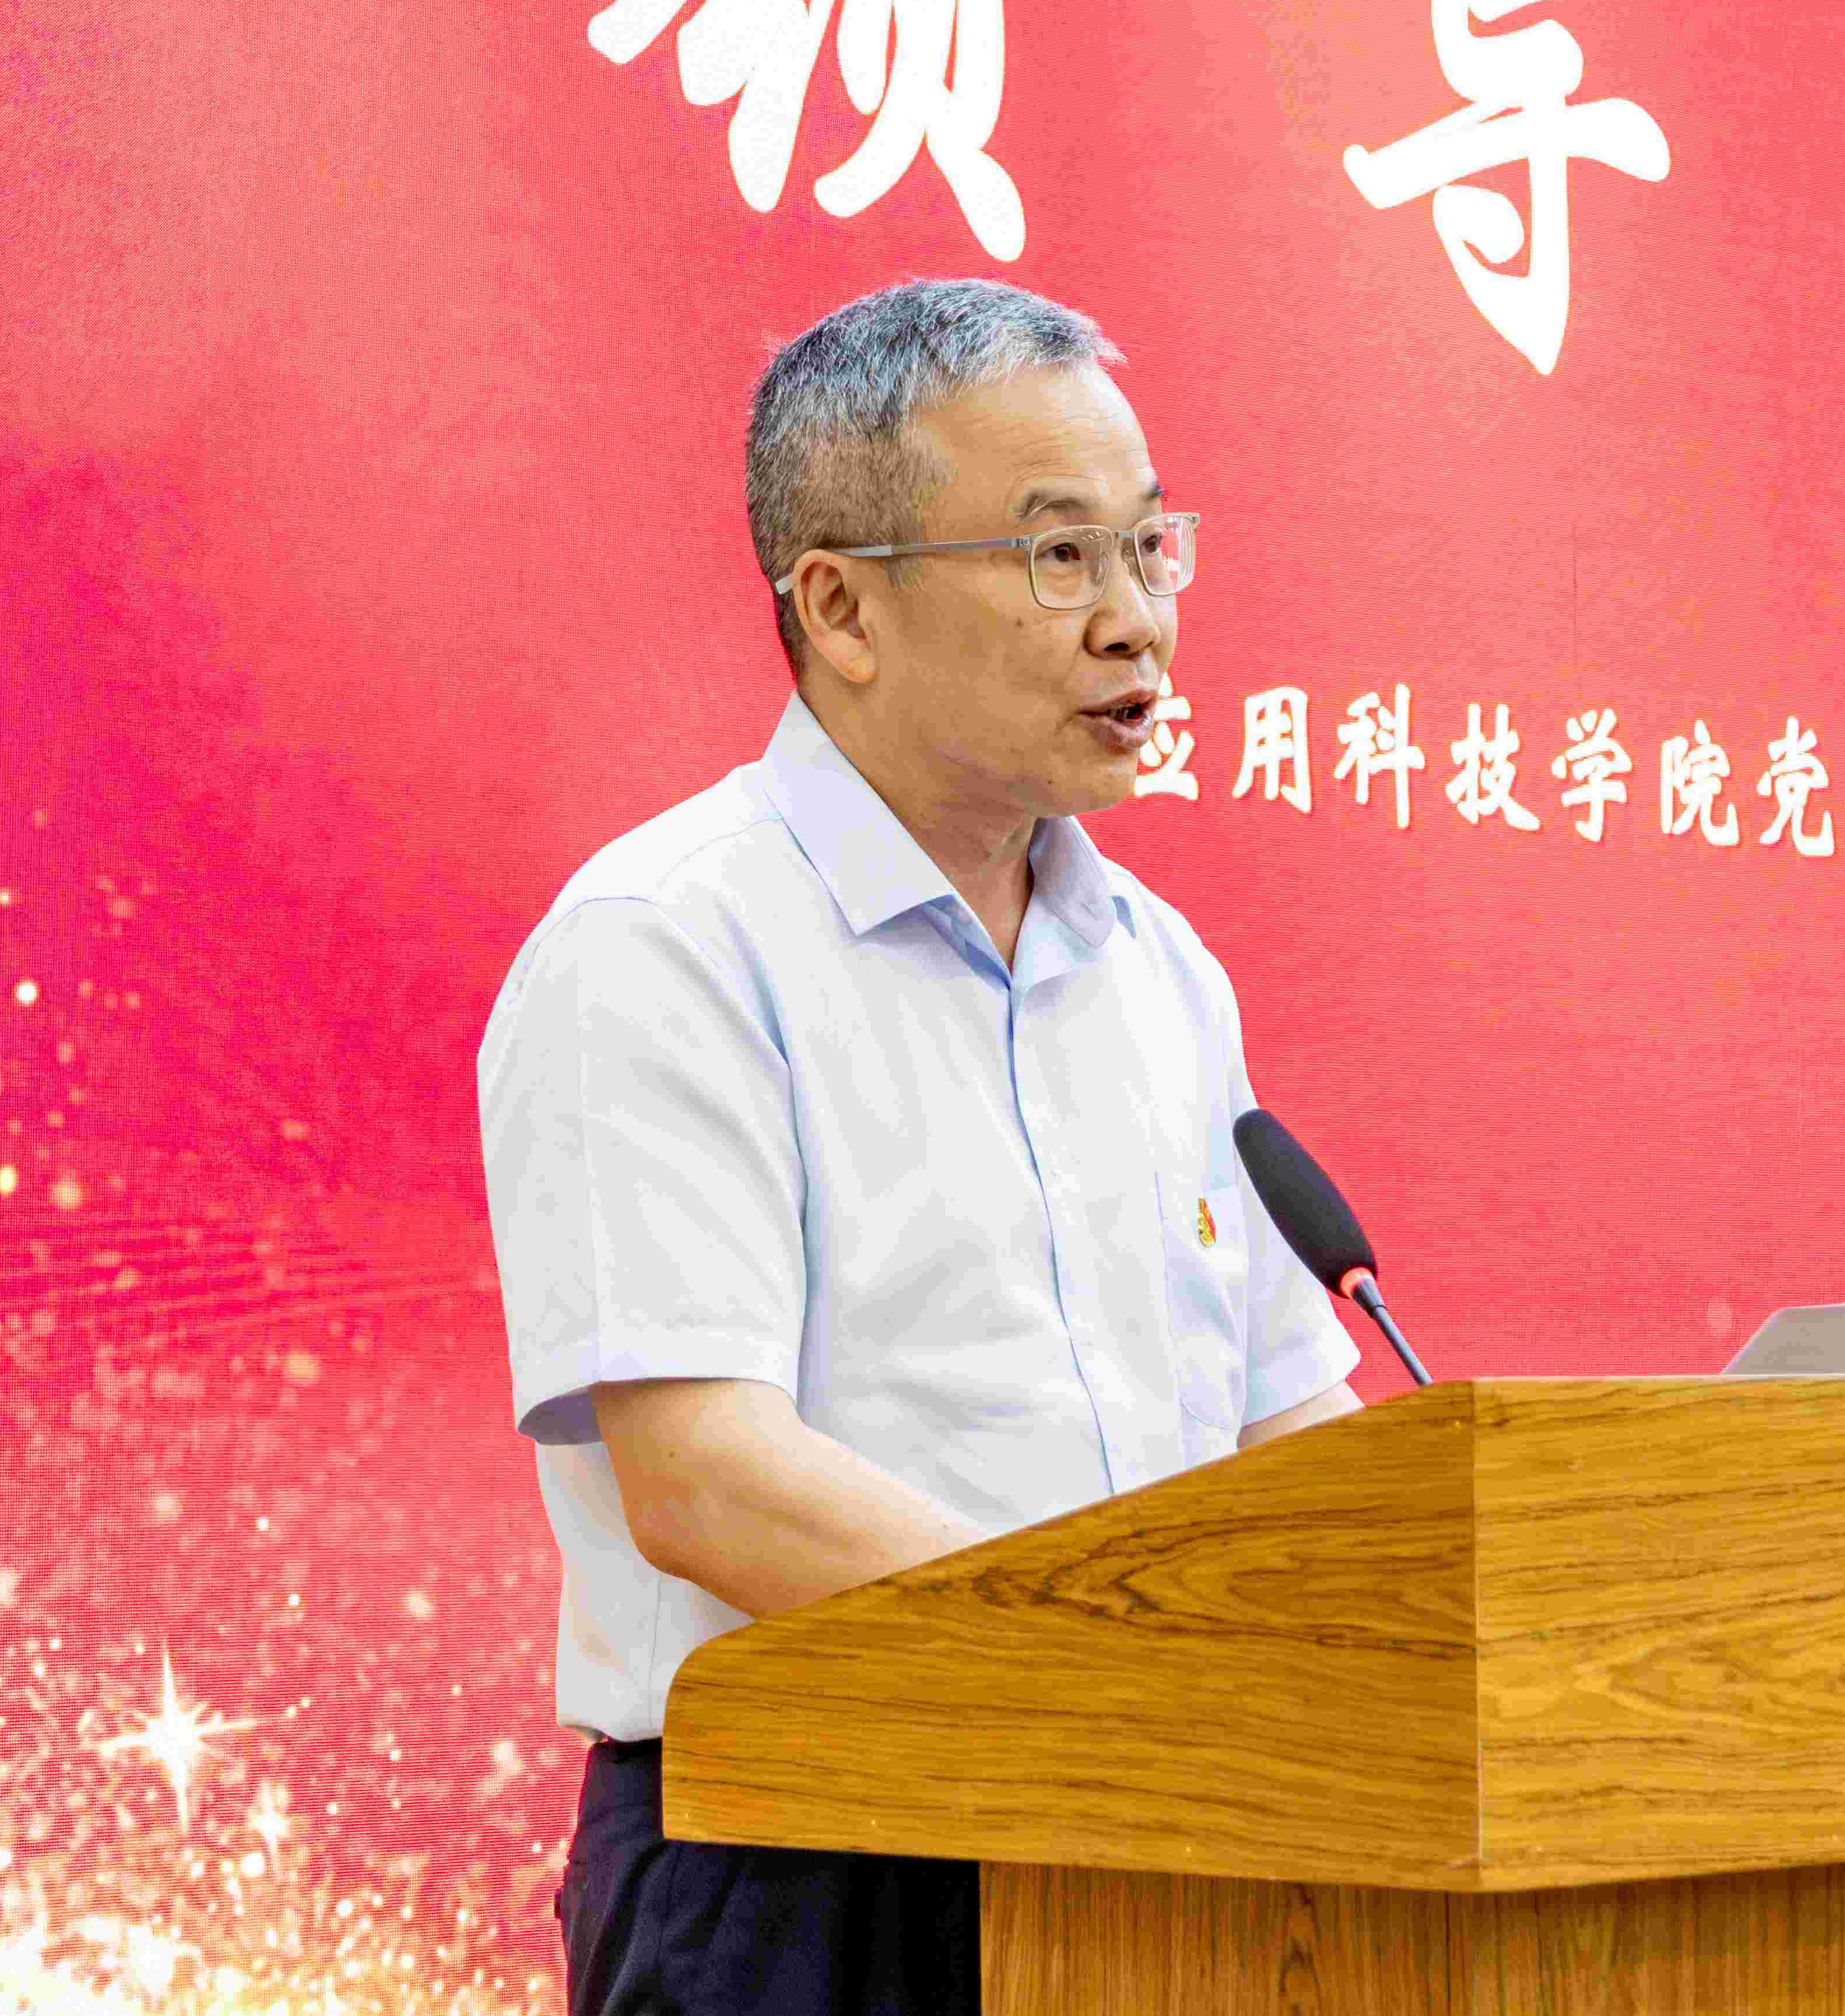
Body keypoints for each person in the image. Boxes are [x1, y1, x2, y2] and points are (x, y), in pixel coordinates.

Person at [475, 277, 1365, 2016]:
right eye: (1058, 557)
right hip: (807, 1874)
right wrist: (1118, 1662)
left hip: (1163, 1852)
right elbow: (705, 1473)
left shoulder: (1161, 975)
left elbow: (1287, 1430)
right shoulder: (667, 944)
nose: (1136, 623)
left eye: (1148, 548)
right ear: (842, 608)